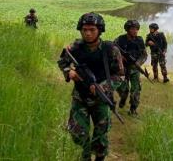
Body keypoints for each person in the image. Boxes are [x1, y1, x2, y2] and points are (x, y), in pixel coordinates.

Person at [57, 12, 124, 161]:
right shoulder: (75, 47)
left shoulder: (111, 49)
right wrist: (69, 73)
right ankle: (85, 156)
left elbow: (120, 74)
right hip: (80, 97)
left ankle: (100, 157)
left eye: (92, 30)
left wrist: (104, 87)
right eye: (84, 30)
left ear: (99, 30)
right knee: (77, 133)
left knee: (100, 137)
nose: (87, 33)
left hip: (101, 100)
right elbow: (62, 61)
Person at [114, 20, 147, 116]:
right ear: (127, 29)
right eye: (133, 29)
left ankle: (133, 109)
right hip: (122, 69)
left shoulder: (139, 40)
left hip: (135, 69)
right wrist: (120, 57)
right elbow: (112, 49)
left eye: (137, 29)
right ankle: (123, 99)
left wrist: (138, 63)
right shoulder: (120, 39)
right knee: (124, 90)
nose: (135, 31)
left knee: (136, 90)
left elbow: (144, 55)